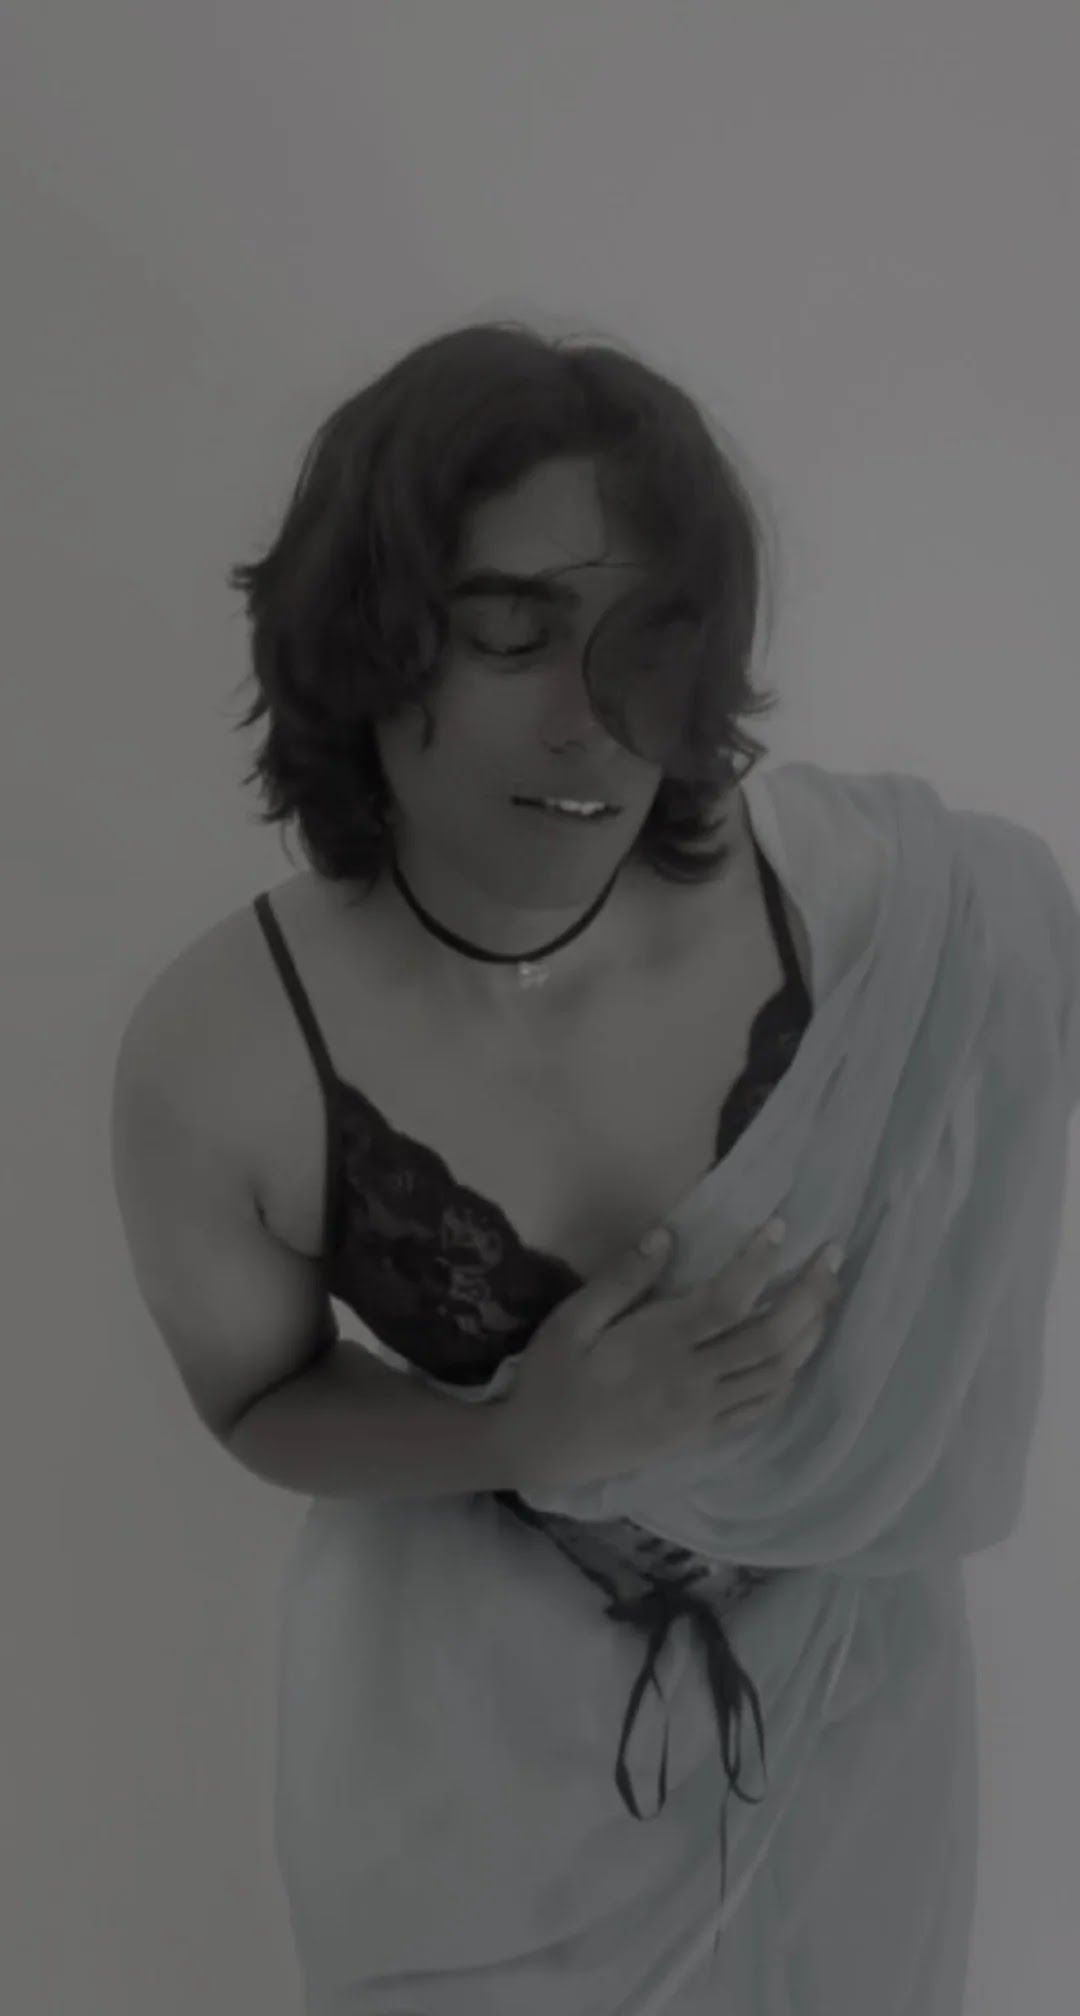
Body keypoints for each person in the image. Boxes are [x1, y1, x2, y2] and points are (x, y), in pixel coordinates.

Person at [110, 322, 1077, 2013]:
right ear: (366, 638)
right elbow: (256, 1402)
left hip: (854, 1731)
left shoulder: (887, 913)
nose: (594, 722)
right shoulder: (227, 1056)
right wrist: (520, 1437)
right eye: (512, 633)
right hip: (471, 1766)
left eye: (653, 642)